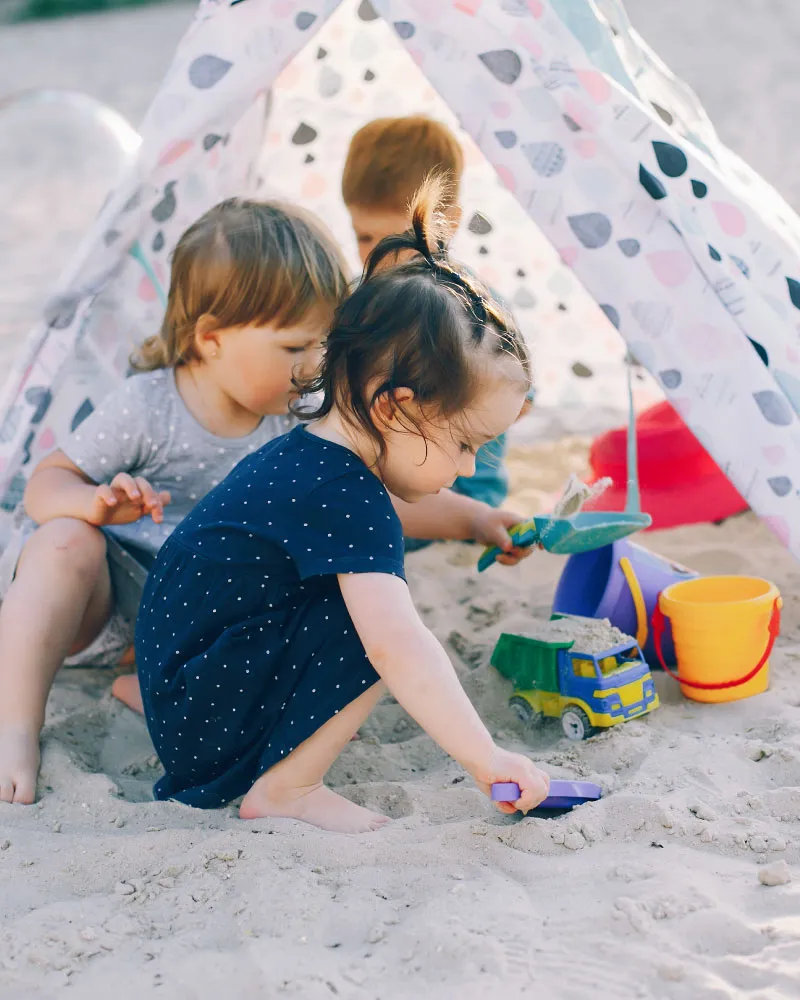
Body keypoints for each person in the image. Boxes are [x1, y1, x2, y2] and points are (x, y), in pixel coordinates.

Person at [134, 178, 549, 833]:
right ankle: (287, 790)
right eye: (466, 443)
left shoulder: (318, 457)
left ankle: (286, 753)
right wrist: (485, 758)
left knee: (365, 610)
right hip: (201, 720)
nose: (469, 468)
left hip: (185, 691)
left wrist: (473, 520)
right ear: (396, 406)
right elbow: (399, 650)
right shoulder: (345, 493)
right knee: (379, 628)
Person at [0, 197, 350, 805]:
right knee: (60, 539)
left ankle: (154, 685)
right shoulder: (150, 407)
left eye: (326, 343)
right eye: (295, 348)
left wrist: (473, 519)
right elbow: (44, 487)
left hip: (203, 625)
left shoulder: (294, 424)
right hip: (116, 600)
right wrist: (95, 505)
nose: (315, 365)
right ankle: (14, 727)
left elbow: (367, 509)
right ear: (211, 338)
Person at [342, 115, 534, 524]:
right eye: (364, 237)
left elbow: (519, 397)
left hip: (463, 487)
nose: (381, 256)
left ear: (447, 224)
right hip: (387, 484)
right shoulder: (358, 303)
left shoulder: (474, 308)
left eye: (401, 240)